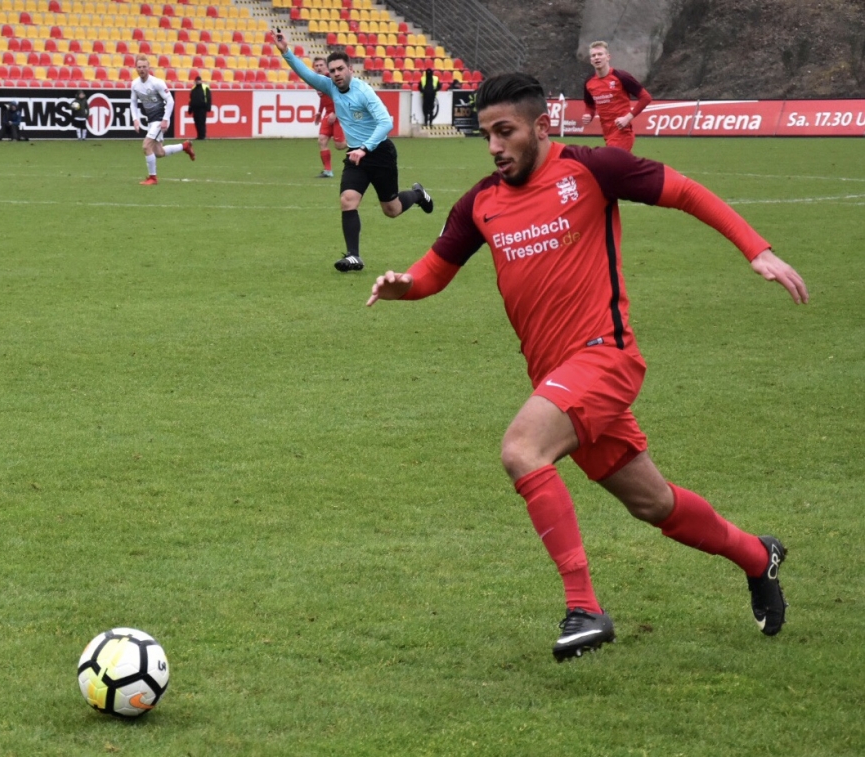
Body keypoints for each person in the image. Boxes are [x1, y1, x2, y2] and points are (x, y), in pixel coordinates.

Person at [367, 72, 808, 662]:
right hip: (557, 380)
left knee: (522, 449)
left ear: (541, 126)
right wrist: (405, 285)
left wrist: (757, 249)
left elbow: (686, 192)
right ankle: (758, 556)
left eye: (506, 132)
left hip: (605, 357)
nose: (494, 146)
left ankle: (584, 607)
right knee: (654, 504)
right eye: (486, 135)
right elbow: (433, 271)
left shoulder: (593, 170)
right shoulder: (480, 204)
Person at [275, 31, 434, 272]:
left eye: (340, 69)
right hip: (355, 155)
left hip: (380, 153)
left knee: (392, 209)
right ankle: (353, 256)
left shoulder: (364, 92)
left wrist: (365, 147)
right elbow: (307, 74)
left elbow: (386, 123)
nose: (336, 74)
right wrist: (286, 51)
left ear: (350, 69)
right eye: (332, 70)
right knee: (347, 200)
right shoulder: (330, 86)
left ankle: (418, 194)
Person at [130, 55, 195, 186]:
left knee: (146, 145)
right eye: (139, 67)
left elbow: (170, 100)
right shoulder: (135, 84)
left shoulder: (157, 83)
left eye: (144, 67)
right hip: (151, 120)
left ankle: (153, 178)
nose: (142, 69)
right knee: (159, 152)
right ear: (136, 68)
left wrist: (165, 120)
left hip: (160, 119)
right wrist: (135, 119)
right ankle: (185, 146)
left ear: (149, 67)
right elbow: (133, 102)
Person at [581, 40, 652, 152]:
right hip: (607, 132)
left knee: (609, 161)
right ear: (591, 60)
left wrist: (627, 118)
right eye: (593, 55)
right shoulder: (589, 82)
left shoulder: (621, 76)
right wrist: (588, 115)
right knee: (617, 163)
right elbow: (589, 105)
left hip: (622, 131)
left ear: (608, 57)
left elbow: (646, 98)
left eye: (600, 54)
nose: (596, 57)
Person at [311, 56, 347, 178]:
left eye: (321, 65)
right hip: (328, 114)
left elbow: (342, 96)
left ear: (326, 67)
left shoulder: (331, 79)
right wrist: (319, 112)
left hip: (339, 113)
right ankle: (328, 171)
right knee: (322, 140)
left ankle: (361, 141)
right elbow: (323, 98)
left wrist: (336, 113)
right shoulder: (317, 81)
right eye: (316, 66)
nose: (319, 67)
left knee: (340, 146)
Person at [187, 73, 212, 140]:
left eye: (199, 80)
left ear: (201, 81)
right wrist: (190, 109)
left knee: (201, 122)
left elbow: (208, 97)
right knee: (196, 122)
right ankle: (199, 135)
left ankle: (202, 135)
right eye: (197, 81)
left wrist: (208, 107)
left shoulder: (205, 87)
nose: (198, 82)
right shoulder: (193, 89)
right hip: (195, 108)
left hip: (202, 108)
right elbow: (191, 99)